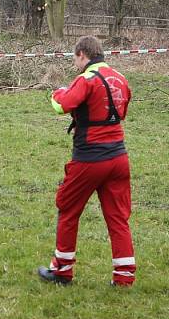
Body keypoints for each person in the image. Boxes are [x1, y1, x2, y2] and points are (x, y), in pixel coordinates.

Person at [37, 35, 136, 287]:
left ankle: (62, 270)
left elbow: (62, 106)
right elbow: (122, 112)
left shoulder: (87, 79)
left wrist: (56, 92)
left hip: (90, 157)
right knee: (117, 218)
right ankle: (124, 277)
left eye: (74, 58)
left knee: (68, 208)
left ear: (82, 54)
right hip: (119, 156)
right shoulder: (121, 79)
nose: (74, 63)